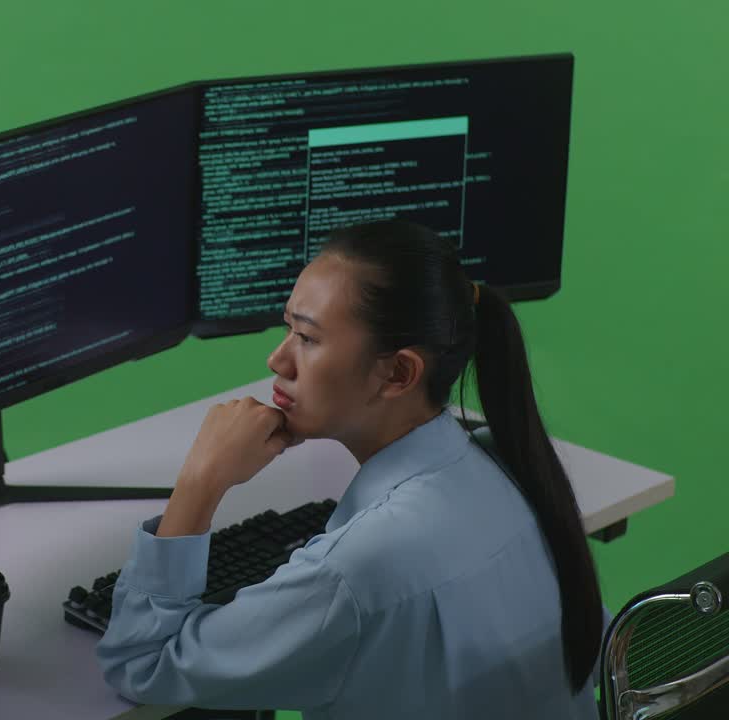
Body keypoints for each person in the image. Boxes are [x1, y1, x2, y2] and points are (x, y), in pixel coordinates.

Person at [95, 220, 605, 719]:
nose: (277, 359)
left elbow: (141, 663)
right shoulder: (505, 460)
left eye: (308, 339)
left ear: (398, 373)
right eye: (287, 328)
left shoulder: (351, 572)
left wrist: (200, 482)